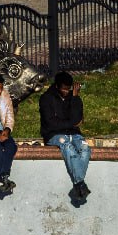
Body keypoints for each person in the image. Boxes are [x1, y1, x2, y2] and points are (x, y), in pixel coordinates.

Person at [39, 71, 91, 202]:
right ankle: (80, 183)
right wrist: (71, 123)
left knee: (85, 148)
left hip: (74, 134)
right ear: (57, 86)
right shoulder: (46, 98)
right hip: (53, 135)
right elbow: (51, 123)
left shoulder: (73, 97)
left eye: (68, 89)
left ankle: (78, 183)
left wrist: (75, 97)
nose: (66, 92)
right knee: (68, 147)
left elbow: (78, 118)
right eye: (64, 89)